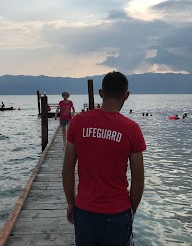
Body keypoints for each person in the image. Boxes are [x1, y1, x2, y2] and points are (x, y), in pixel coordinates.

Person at [62, 71, 146, 245]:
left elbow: (67, 170)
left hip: (85, 210)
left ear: (101, 93)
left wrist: (71, 203)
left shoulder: (78, 122)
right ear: (126, 96)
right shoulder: (132, 129)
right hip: (118, 212)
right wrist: (131, 210)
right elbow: (138, 179)